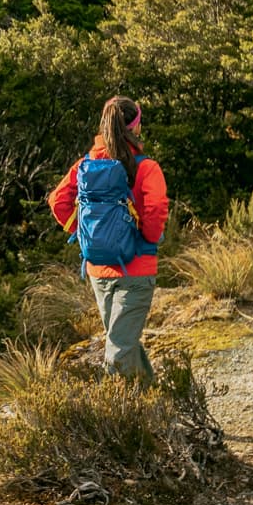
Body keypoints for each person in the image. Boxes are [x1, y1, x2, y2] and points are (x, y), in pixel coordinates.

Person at [48, 95, 168, 382]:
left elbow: (57, 201)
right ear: (135, 128)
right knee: (120, 348)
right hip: (137, 270)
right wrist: (146, 240)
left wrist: (87, 233)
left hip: (98, 269)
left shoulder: (85, 165)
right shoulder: (146, 167)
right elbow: (156, 208)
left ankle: (155, 406)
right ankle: (123, 417)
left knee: (122, 340)